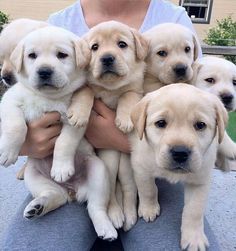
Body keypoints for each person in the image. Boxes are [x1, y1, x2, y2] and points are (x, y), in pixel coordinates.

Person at [3, 0, 220, 250]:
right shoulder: (58, 24)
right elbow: (29, 98)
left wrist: (113, 137)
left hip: (159, 173)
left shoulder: (172, 17)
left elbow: (198, 109)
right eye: (94, 47)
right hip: (69, 168)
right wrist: (28, 142)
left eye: (122, 45)